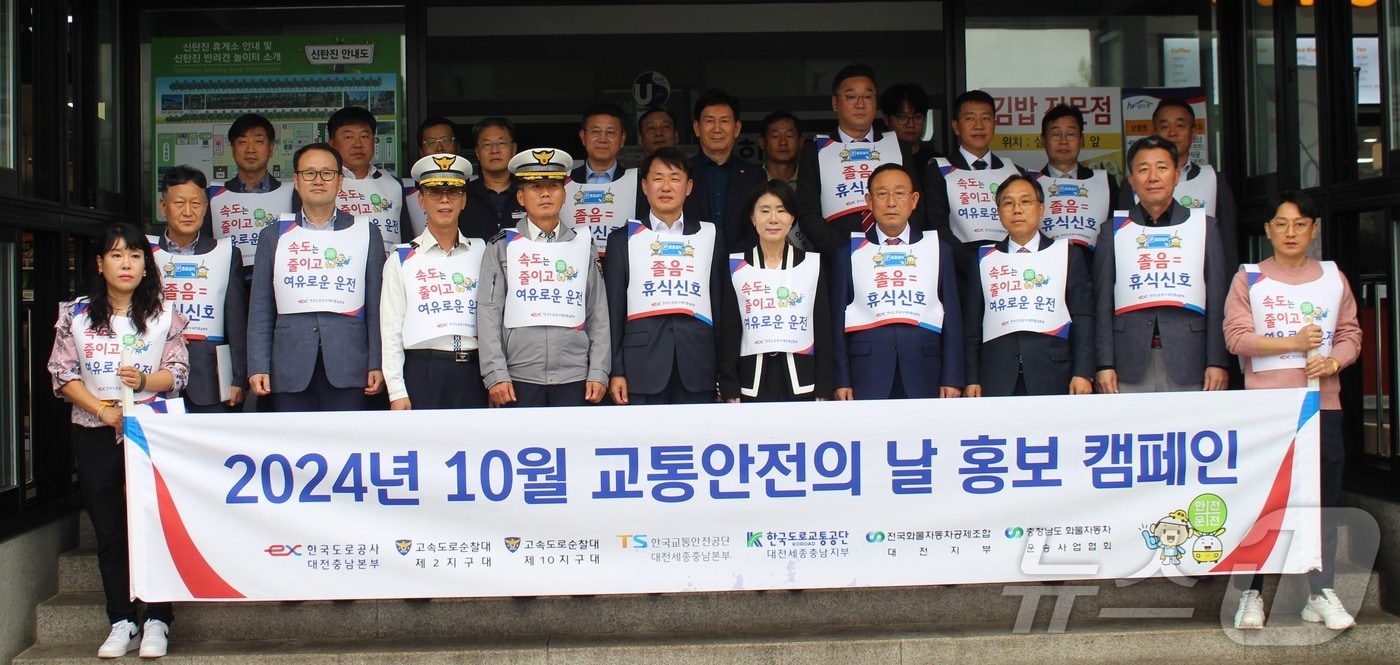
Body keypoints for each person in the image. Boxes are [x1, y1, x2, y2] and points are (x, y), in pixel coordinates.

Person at [47, 223, 188, 659]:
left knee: (153, 524)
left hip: (151, 430)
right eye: (115, 255)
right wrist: (104, 411)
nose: (125, 264)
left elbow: (180, 373)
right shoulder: (77, 313)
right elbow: (62, 374)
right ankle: (122, 618)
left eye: (134, 255)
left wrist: (146, 380)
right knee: (109, 528)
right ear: (99, 264)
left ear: (147, 265)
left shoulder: (164, 312)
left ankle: (158, 620)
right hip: (96, 428)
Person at [1224, 192, 1361, 631]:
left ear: (1313, 229)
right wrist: (1294, 345)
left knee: (1323, 505)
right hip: (1267, 410)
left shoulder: (1333, 278)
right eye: (1281, 224)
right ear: (1267, 230)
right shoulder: (1250, 278)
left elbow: (1351, 334)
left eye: (1299, 224)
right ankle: (1251, 595)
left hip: (1322, 405)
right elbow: (1237, 338)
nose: (1290, 232)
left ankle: (1321, 594)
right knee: (1263, 504)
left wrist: (1335, 360)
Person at [247, 142, 386, 411]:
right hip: (289, 365)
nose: (318, 180)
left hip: (351, 364)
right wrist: (258, 365)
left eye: (327, 173)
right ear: (297, 181)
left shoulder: (366, 232)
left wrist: (377, 362)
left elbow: (377, 306)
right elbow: (261, 308)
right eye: (309, 173)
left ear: (340, 181)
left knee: (348, 447)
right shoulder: (273, 236)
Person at [1093, 135, 1229, 393]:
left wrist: (1217, 360)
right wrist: (1103, 364)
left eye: (1162, 168)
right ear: (1131, 180)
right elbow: (1101, 302)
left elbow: (1217, 297)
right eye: (1143, 169)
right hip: (1128, 361)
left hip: (1191, 358)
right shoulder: (1113, 230)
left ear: (1177, 175)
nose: (1153, 177)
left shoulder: (1204, 227)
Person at [478, 148, 610, 407]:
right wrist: (495, 374)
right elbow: (489, 313)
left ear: (564, 194)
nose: (545, 193)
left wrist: (599, 371)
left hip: (576, 376)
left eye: (553, 185)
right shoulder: (502, 246)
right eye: (535, 186)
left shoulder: (583, 244)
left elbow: (598, 311)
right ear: (520, 197)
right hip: (518, 376)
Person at [604, 148, 724, 405]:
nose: (666, 187)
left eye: (675, 178)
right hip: (640, 368)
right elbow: (613, 312)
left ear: (689, 187)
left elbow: (719, 304)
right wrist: (616, 371)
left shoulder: (709, 236)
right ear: (645, 186)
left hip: (699, 364)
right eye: (658, 178)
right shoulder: (622, 240)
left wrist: (724, 371)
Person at [833, 163, 962, 400]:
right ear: (869, 201)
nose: (891, 202)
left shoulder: (938, 249)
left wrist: (952, 377)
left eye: (899, 193)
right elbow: (837, 320)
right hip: (866, 370)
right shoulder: (849, 252)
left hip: (925, 368)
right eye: (882, 194)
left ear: (914, 200)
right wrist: (841, 379)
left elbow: (952, 317)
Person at [963, 174, 1093, 397]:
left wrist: (1083, 373)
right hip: (996, 375)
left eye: (1025, 201)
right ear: (998, 211)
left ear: (1041, 209)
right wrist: (971, 378)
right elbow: (972, 325)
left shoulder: (1067, 254)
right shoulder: (984, 258)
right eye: (1008, 203)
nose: (1016, 209)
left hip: (1054, 372)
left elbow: (1083, 317)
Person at [381, 153, 488, 410]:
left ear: (463, 200)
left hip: (476, 370)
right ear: (421, 200)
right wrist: (396, 390)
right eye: (434, 192)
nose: (444, 200)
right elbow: (391, 330)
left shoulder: (483, 252)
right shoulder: (402, 258)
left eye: (452, 192)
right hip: (423, 370)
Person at [720, 179, 833, 401]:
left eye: (781, 210)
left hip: (803, 379)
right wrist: (729, 384)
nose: (773, 219)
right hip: (750, 381)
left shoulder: (811, 265)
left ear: (792, 218)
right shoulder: (737, 265)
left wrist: (824, 386)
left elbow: (822, 328)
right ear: (752, 217)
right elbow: (729, 330)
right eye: (764, 211)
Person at [150, 165, 247, 413]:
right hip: (153, 373)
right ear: (163, 207)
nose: (187, 211)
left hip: (211, 380)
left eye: (195, 204)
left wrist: (238, 378)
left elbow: (235, 321)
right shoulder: (144, 253)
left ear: (205, 207)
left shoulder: (225, 253)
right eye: (179, 203)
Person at [920, 89, 1028, 283]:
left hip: (1011, 269)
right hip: (961, 272)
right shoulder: (939, 169)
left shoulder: (1016, 172)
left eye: (986, 118)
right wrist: (974, 264)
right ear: (956, 126)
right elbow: (937, 225)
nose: (979, 125)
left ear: (994, 124)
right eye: (970, 119)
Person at [796, 64, 905, 255]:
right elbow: (808, 215)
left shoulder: (898, 147)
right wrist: (847, 252)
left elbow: (917, 206)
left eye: (868, 97)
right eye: (851, 97)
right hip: (837, 259)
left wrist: (893, 243)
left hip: (895, 254)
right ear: (835, 103)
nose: (860, 104)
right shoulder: (814, 152)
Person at [1119, 98, 1239, 269]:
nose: (1172, 133)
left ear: (1193, 132)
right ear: (1154, 133)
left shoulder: (1214, 180)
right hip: (1147, 276)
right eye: (1165, 127)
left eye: (1180, 126)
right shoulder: (1133, 184)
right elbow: (1124, 240)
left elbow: (1227, 242)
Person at [209, 113, 292, 276]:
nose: (250, 149)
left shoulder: (293, 194)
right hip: (228, 283)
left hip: (277, 282)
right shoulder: (212, 196)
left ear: (271, 148)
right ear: (233, 149)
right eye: (242, 142)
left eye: (259, 141)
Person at [684, 88, 766, 252]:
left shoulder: (755, 176)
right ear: (697, 128)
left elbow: (760, 226)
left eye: (724, 121)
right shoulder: (681, 173)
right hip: (689, 263)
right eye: (709, 121)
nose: (717, 129)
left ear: (737, 128)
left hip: (740, 266)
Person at [1035, 104, 1119, 255]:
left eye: (1071, 134)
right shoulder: (1029, 184)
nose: (1063, 141)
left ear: (1082, 139)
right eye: (1055, 134)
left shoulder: (1105, 183)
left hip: (1092, 271)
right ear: (1043, 139)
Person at [328, 105, 402, 254]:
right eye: (348, 137)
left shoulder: (394, 184)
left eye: (364, 136)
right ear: (332, 144)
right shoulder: (321, 184)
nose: (358, 144)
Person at [568, 103, 638, 256]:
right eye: (595, 131)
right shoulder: (563, 183)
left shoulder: (638, 183)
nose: (603, 139)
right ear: (583, 137)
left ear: (622, 139)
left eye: (611, 132)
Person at [461, 116, 526, 240]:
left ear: (513, 149)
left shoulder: (529, 191)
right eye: (487, 145)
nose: (494, 150)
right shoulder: (463, 194)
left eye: (501, 143)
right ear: (477, 152)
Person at [403, 116, 461, 240]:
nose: (439, 148)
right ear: (421, 151)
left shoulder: (472, 187)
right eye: (431, 142)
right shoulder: (405, 191)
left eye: (446, 141)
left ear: (458, 146)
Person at [880, 82, 939, 185]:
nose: (910, 124)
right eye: (902, 117)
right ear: (886, 119)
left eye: (917, 117)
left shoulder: (936, 162)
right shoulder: (878, 158)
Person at [759, 111, 802, 185]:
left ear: (801, 142)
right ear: (762, 143)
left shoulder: (811, 179)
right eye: (775, 136)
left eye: (789, 136)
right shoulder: (751, 179)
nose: (783, 143)